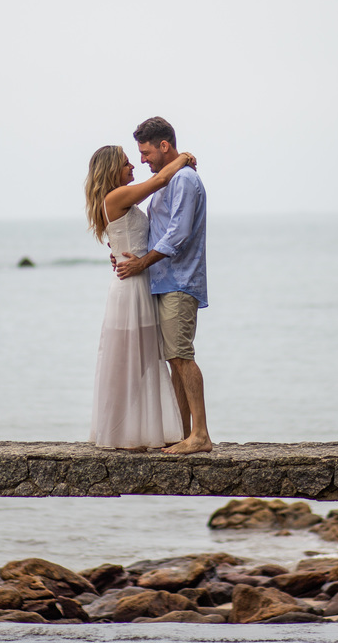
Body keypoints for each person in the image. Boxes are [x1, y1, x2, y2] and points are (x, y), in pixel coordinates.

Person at [84, 144, 196, 450]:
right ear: (111, 171)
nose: (133, 167)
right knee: (127, 361)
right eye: (126, 164)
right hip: (130, 288)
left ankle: (138, 432)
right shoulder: (117, 196)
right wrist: (184, 158)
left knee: (143, 360)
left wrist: (119, 254)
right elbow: (159, 181)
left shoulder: (118, 199)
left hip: (138, 284)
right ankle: (120, 433)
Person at [115, 117, 212, 455]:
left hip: (179, 280)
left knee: (182, 356)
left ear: (164, 146)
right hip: (162, 280)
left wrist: (142, 263)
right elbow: (153, 231)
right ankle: (182, 433)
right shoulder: (166, 182)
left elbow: (179, 233)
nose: (142, 159)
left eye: (145, 152)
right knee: (175, 358)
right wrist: (127, 256)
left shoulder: (184, 179)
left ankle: (200, 435)